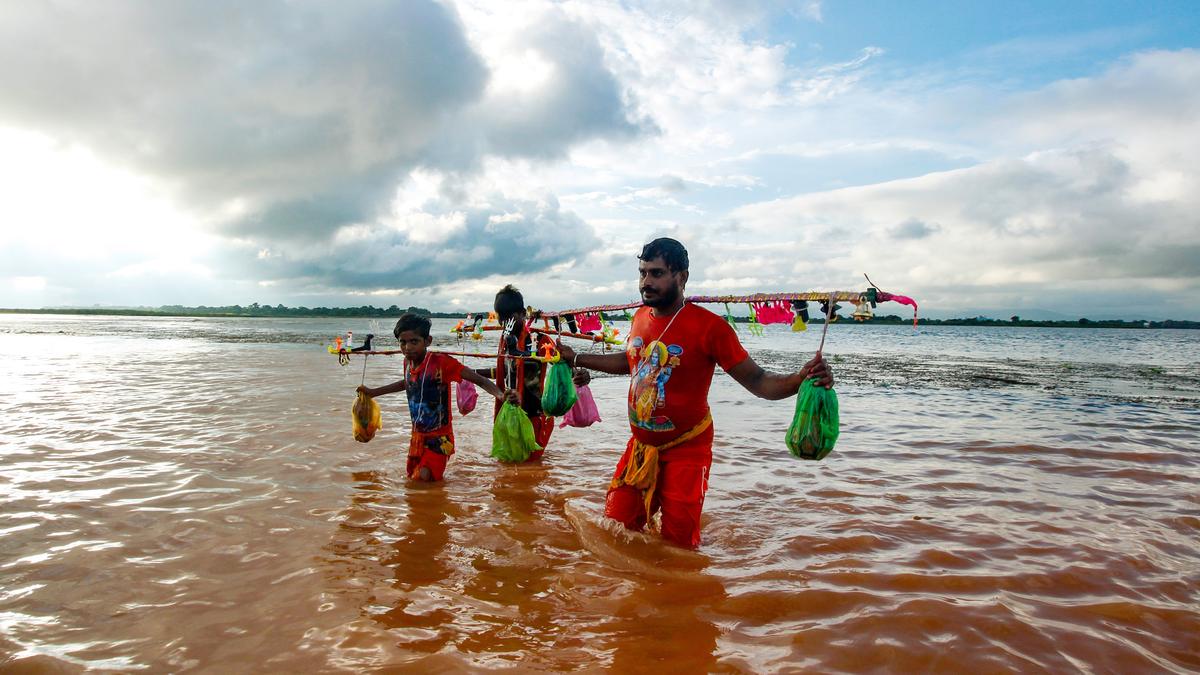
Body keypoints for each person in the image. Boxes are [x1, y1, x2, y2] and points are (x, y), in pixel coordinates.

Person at [557, 238, 834, 548]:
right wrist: (576, 358)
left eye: (657, 273)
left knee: (680, 545)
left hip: (687, 448)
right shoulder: (639, 318)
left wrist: (801, 379)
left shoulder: (710, 328)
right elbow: (631, 362)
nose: (646, 283)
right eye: (642, 273)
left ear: (682, 277)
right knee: (616, 529)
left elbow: (758, 381)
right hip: (641, 447)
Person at [358, 313, 515, 482]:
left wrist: (501, 395)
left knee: (424, 479)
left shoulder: (442, 363)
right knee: (413, 479)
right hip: (417, 436)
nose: (407, 348)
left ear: (428, 341)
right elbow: (406, 383)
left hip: (440, 439)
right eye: (402, 342)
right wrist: (374, 392)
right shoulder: (407, 363)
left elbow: (480, 380)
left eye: (414, 341)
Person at [472, 284, 590, 462]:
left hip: (535, 413)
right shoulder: (505, 341)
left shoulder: (539, 339)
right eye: (501, 317)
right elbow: (504, 372)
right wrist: (471, 373)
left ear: (521, 314)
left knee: (531, 463)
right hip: (510, 412)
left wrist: (580, 374)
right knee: (509, 466)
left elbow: (562, 363)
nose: (504, 323)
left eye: (509, 317)